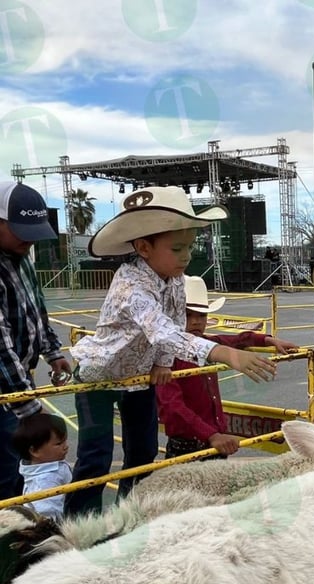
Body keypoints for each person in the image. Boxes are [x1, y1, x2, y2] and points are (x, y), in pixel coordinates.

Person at [64, 186, 277, 518]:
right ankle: (78, 526)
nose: (187, 256)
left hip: (139, 377)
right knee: (96, 455)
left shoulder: (176, 279)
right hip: (100, 378)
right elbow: (161, 329)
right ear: (143, 247)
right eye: (178, 248)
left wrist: (163, 363)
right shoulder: (131, 285)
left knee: (143, 452)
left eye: (190, 247)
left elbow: (175, 321)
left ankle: (129, 517)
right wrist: (226, 354)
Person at [156, 276, 299, 460]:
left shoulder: (208, 343)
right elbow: (172, 406)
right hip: (188, 444)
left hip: (215, 440)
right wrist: (211, 435)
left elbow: (238, 340)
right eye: (188, 315)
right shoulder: (166, 357)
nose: (196, 322)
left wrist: (267, 340)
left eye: (201, 315)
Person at [0, 181, 72, 501]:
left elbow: (36, 309)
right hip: (5, 392)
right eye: (19, 230)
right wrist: (30, 410)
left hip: (17, 384)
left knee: (20, 472)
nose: (29, 240)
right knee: (6, 474)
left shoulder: (22, 258)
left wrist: (52, 351)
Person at [12, 413, 72, 519]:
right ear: (34, 451)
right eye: (59, 443)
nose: (66, 446)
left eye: (65, 440)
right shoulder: (45, 482)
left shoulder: (50, 462)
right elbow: (49, 516)